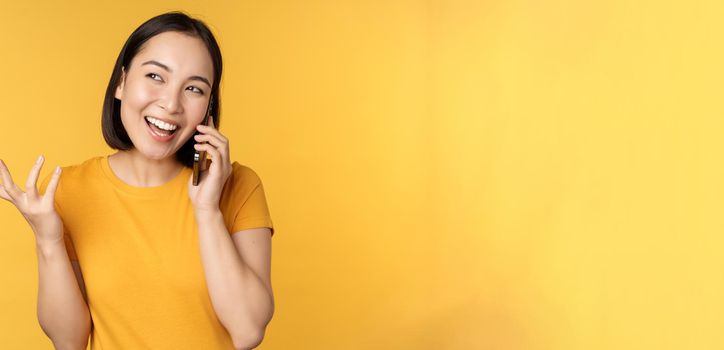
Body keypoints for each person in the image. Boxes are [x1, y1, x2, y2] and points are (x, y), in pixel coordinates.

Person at [0, 11, 275, 350]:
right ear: (121, 83)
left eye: (193, 88)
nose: (171, 104)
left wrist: (206, 210)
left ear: (208, 108)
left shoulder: (238, 186)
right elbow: (69, 342)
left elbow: (248, 331)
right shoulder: (70, 190)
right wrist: (48, 240)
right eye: (156, 77)